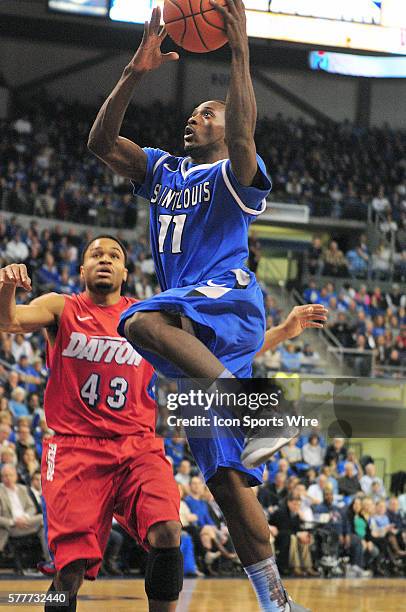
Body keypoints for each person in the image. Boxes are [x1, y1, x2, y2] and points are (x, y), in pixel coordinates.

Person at [88, 2, 327, 610]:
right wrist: (135, 70)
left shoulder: (234, 173)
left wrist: (241, 48)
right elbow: (99, 143)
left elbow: (245, 133)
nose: (196, 117)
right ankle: (277, 602)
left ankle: (258, 411)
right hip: (194, 336)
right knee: (224, 479)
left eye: (209, 111)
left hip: (224, 301)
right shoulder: (163, 171)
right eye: (194, 112)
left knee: (136, 318)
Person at [0, 240, 182, 612]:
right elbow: (10, 320)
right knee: (71, 569)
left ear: (125, 273)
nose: (105, 260)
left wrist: (282, 332)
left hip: (137, 445)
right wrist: (6, 286)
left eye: (115, 256)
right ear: (82, 270)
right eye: (96, 255)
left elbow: (213, 349)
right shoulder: (61, 307)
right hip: (75, 448)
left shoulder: (144, 318)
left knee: (168, 531)